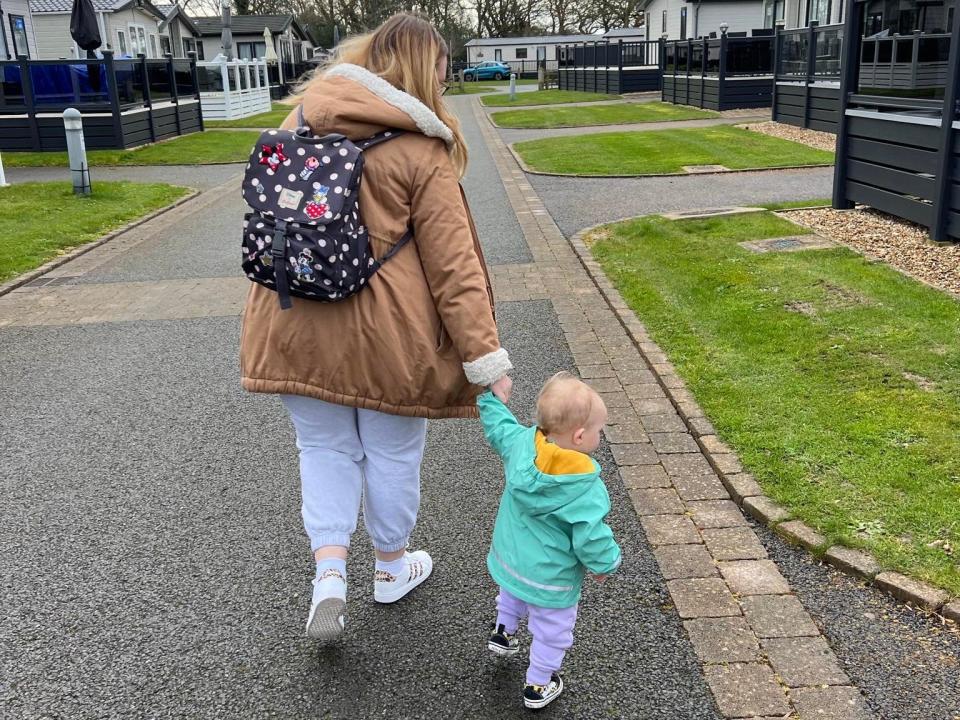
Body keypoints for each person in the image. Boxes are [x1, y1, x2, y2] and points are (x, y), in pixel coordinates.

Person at [239, 13, 513, 642]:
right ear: (429, 70)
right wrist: (486, 359)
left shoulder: (300, 118)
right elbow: (455, 267)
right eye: (445, 69)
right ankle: (391, 567)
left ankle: (329, 575)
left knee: (323, 449)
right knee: (391, 451)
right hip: (389, 337)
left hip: (290, 318)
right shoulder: (421, 147)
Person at [477, 372, 622, 709]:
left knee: (511, 594)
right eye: (599, 430)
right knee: (552, 629)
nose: (600, 436)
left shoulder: (522, 444)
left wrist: (488, 398)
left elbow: (501, 426)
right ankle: (539, 683)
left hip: (510, 561)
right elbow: (591, 537)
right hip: (551, 579)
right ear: (581, 435)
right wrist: (606, 563)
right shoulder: (584, 487)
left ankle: (504, 631)